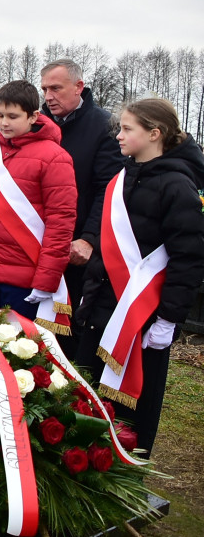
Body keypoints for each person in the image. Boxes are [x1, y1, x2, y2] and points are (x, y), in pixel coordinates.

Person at [73, 99, 204, 456]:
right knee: (85, 399)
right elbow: (105, 246)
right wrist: (90, 293)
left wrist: (168, 320)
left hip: (142, 319)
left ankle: (123, 471)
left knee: (130, 416)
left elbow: (188, 260)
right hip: (101, 309)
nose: (118, 135)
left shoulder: (178, 186)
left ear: (155, 133)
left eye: (127, 129)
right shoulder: (120, 179)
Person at [0, 80, 77, 323]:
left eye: (13, 116)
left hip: (25, 277)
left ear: (33, 116)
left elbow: (60, 222)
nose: (4, 123)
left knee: (19, 344)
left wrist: (47, 279)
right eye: (0, 115)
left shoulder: (55, 157)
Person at [41, 59, 125, 354]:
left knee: (67, 327)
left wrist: (89, 238)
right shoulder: (37, 124)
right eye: (44, 89)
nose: (48, 96)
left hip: (76, 248)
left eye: (56, 88)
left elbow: (108, 189)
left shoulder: (104, 126)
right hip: (36, 242)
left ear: (79, 87)